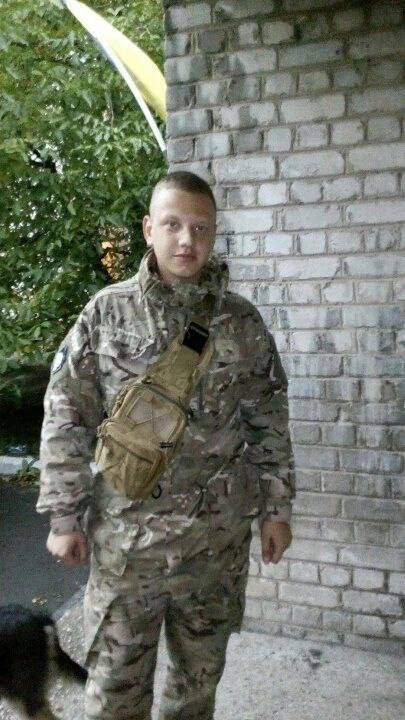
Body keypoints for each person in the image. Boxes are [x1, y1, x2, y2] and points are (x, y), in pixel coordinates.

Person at [37, 171, 295, 720]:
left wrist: (277, 510)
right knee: (114, 694)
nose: (186, 240)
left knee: (194, 692)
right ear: (148, 229)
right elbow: (66, 415)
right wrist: (63, 515)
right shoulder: (106, 314)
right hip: (127, 549)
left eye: (200, 228)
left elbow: (268, 419)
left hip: (214, 548)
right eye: (173, 224)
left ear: (214, 234)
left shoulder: (241, 323)